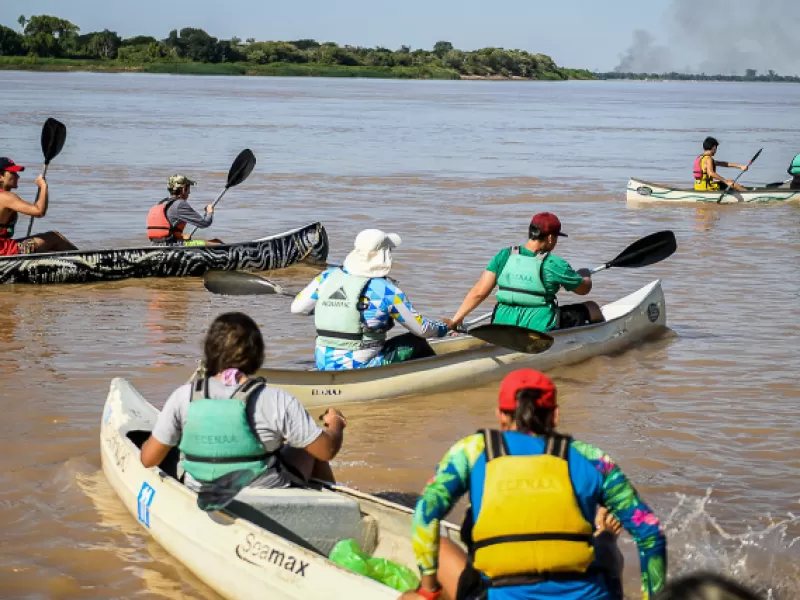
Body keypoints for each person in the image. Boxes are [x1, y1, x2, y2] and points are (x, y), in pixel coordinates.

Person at [402, 368, 667, 600]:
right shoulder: (593, 459)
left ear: (500, 416)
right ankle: (605, 535)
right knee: (606, 548)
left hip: (499, 594)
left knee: (422, 579)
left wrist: (428, 589)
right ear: (555, 416)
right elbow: (651, 534)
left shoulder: (472, 451)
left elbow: (425, 515)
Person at [140, 311, 346, 490]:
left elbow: (148, 460)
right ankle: (330, 501)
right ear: (258, 355)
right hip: (267, 491)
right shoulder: (278, 399)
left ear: (210, 352)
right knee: (307, 443)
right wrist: (335, 424)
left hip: (202, 490)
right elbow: (326, 451)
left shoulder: (183, 396)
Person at [290, 229, 451, 371]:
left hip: (323, 362)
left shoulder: (327, 277)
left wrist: (332, 306)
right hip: (359, 365)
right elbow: (422, 329)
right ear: (385, 255)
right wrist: (444, 327)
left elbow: (297, 308)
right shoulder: (387, 290)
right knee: (416, 342)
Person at [448, 213, 603, 333]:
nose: (555, 242)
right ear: (550, 238)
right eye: (556, 238)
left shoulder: (504, 255)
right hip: (539, 326)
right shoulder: (554, 263)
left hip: (502, 323)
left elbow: (479, 293)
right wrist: (584, 275)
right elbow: (583, 289)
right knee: (592, 307)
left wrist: (456, 319)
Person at [0, 157, 78, 256]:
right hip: (4, 250)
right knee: (55, 237)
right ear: (0, 177)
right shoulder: (6, 197)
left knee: (48, 246)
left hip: (4, 246)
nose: (18, 176)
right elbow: (39, 211)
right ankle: (87, 263)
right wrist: (43, 186)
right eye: (13, 173)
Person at [145, 174, 223, 246]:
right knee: (217, 242)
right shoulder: (180, 204)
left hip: (155, 245)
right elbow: (205, 223)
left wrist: (180, 236)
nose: (189, 192)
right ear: (183, 189)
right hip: (172, 246)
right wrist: (209, 212)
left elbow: (169, 228)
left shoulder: (161, 203)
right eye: (188, 189)